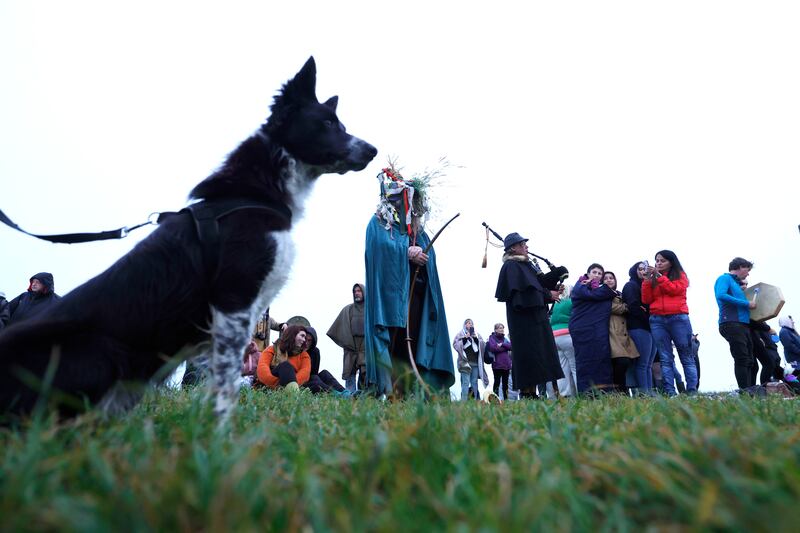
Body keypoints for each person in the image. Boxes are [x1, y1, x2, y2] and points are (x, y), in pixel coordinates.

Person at [364, 165, 455, 397]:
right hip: (389, 300)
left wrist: (422, 257)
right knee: (392, 343)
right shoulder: (379, 224)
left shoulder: (419, 232)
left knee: (414, 342)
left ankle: (413, 392)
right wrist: (406, 252)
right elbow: (379, 251)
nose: (413, 210)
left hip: (416, 298)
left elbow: (430, 259)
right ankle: (388, 390)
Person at [495, 232, 563, 399]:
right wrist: (548, 295)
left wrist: (551, 288)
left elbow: (536, 287)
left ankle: (537, 393)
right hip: (524, 323)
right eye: (522, 244)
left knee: (540, 354)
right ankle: (528, 393)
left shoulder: (525, 266)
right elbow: (524, 296)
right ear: (513, 248)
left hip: (536, 319)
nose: (526, 247)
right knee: (529, 355)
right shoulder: (511, 267)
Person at [643, 250, 697, 395]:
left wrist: (660, 277)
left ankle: (692, 391)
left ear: (671, 262)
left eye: (662, 260)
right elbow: (646, 300)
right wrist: (647, 280)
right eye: (657, 261)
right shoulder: (654, 278)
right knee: (665, 358)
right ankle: (670, 392)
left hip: (678, 318)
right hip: (657, 320)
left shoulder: (680, 275)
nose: (658, 263)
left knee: (686, 356)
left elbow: (674, 290)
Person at [569, 263, 616, 395]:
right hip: (582, 329)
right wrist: (608, 291)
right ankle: (586, 393)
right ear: (588, 274)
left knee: (601, 359)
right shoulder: (581, 285)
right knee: (585, 361)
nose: (597, 275)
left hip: (597, 329)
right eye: (594, 272)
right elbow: (592, 295)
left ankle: (604, 391)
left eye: (600, 274)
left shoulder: (599, 290)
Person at [714, 257, 756, 389]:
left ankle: (751, 389)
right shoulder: (724, 278)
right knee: (742, 358)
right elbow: (721, 295)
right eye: (747, 270)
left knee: (750, 360)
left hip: (742, 325)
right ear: (740, 267)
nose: (748, 273)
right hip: (731, 323)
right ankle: (745, 391)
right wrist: (747, 303)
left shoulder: (736, 284)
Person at [622, 261, 658, 395]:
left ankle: (649, 391)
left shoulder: (647, 286)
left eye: (645, 269)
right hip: (638, 328)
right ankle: (644, 392)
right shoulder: (631, 285)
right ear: (634, 270)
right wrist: (647, 317)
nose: (643, 271)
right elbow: (633, 307)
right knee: (642, 363)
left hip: (649, 328)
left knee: (648, 363)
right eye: (640, 269)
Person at [603, 272, 639, 394]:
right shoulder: (602, 294)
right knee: (621, 361)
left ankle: (622, 392)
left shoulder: (620, 294)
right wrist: (626, 307)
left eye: (611, 278)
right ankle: (620, 392)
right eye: (606, 278)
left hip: (623, 332)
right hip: (611, 332)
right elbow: (610, 307)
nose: (609, 280)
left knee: (624, 362)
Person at [327, 283, 366, 392]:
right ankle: (350, 397)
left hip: (365, 348)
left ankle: (364, 398)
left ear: (364, 292)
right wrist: (346, 343)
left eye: (359, 291)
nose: (356, 293)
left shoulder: (371, 311)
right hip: (351, 348)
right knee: (350, 375)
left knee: (365, 374)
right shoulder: (348, 310)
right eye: (355, 291)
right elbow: (338, 328)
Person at [256, 325, 311, 391]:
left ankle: (293, 393)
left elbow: (305, 373)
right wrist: (278, 384)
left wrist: (290, 381)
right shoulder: (272, 349)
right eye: (302, 336)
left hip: (293, 385)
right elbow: (262, 369)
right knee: (286, 366)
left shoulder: (304, 355)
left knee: (316, 381)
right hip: (269, 385)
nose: (304, 340)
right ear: (292, 335)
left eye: (305, 337)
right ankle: (294, 396)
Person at [549, 285, 577, 397]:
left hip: (554, 336)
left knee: (563, 367)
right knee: (575, 366)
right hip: (567, 334)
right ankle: (582, 392)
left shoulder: (555, 304)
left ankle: (565, 394)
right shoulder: (571, 302)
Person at [304, 327, 348, 394]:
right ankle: (336, 394)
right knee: (314, 378)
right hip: (302, 382)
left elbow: (315, 372)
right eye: (305, 339)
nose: (306, 343)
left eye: (309, 340)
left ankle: (346, 392)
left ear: (313, 342)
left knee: (324, 373)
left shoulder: (315, 351)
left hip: (313, 379)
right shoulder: (297, 351)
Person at [453, 319, 488, 400]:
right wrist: (465, 338)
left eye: (472, 323)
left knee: (474, 382)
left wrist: (476, 339)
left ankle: (475, 400)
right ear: (465, 325)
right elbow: (455, 345)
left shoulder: (477, 334)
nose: (471, 324)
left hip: (475, 363)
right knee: (465, 382)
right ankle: (464, 401)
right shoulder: (460, 334)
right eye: (469, 323)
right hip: (464, 363)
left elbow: (483, 345)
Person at [486, 323, 513, 401]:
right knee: (497, 382)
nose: (501, 329)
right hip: (497, 364)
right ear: (495, 329)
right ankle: (495, 399)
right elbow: (493, 348)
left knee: (505, 384)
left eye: (502, 328)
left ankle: (506, 399)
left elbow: (511, 347)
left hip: (506, 364)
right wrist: (505, 347)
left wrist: (502, 344)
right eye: (500, 328)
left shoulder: (505, 339)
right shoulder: (492, 337)